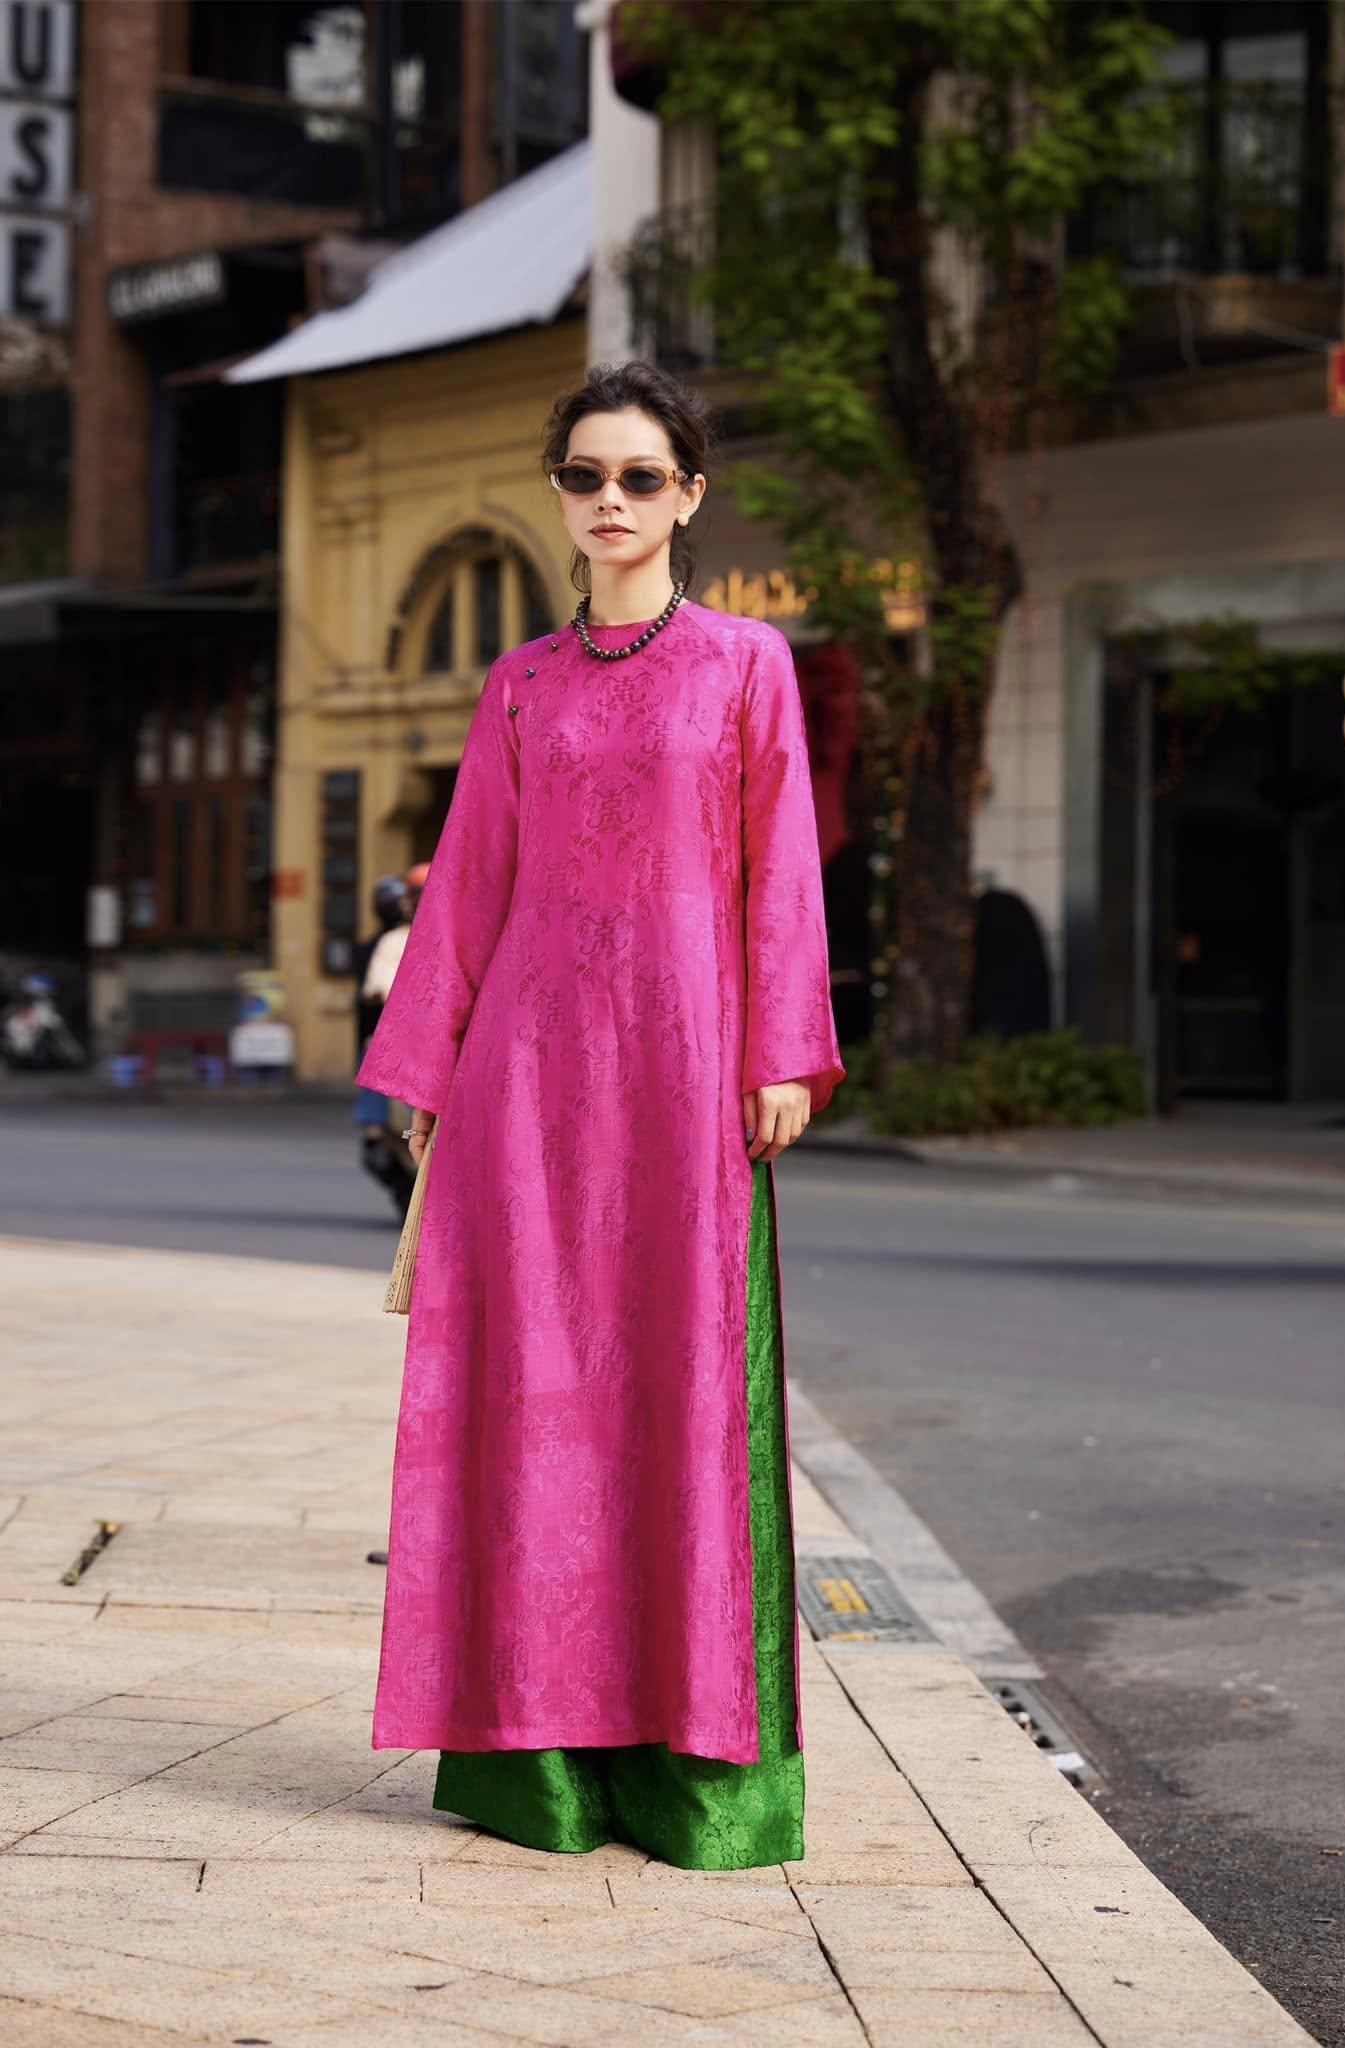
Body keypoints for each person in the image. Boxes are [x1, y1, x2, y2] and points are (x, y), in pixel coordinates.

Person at [356, 359, 844, 1870]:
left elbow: (782, 872)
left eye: (640, 477)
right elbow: (471, 892)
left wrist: (782, 1051)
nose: (611, 503)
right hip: (529, 1086)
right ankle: (534, 1768)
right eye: (584, 477)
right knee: (533, 1404)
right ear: (557, 495)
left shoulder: (748, 665)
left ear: (689, 495)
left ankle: (695, 1777)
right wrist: (425, 1079)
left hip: (692, 1076)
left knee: (686, 1400)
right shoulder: (517, 685)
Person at [354, 876, 416, 1218]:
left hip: (408, 1050)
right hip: (392, 1049)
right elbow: (376, 994)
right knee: (383, 1136)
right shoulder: (389, 943)